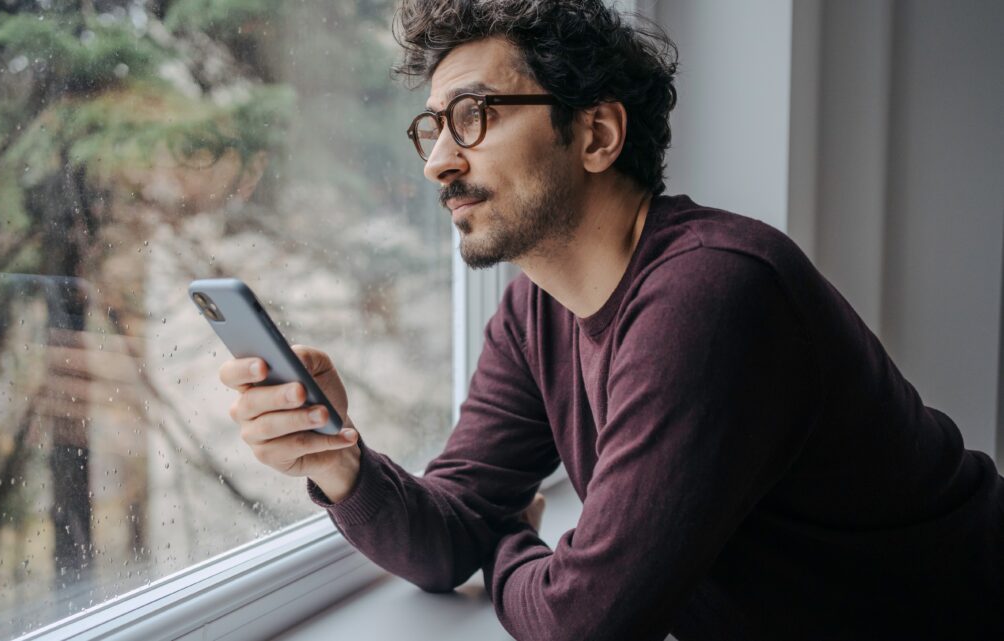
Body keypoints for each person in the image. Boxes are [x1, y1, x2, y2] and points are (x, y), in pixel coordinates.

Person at [218, 1, 1004, 639]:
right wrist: (334, 457)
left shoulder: (713, 293)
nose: (438, 162)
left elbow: (581, 621)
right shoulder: (536, 307)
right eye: (433, 127)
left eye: (474, 116)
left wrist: (503, 546)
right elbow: (449, 527)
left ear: (596, 134)